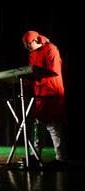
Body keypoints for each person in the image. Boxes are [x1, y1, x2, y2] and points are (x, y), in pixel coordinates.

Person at [22, 31, 67, 165]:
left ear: (36, 40)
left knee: (53, 124)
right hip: (40, 92)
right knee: (38, 124)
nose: (28, 48)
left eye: (28, 44)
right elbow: (32, 71)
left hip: (52, 90)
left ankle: (61, 158)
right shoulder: (32, 53)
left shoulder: (51, 49)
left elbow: (52, 71)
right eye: (25, 46)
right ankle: (35, 155)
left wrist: (33, 76)